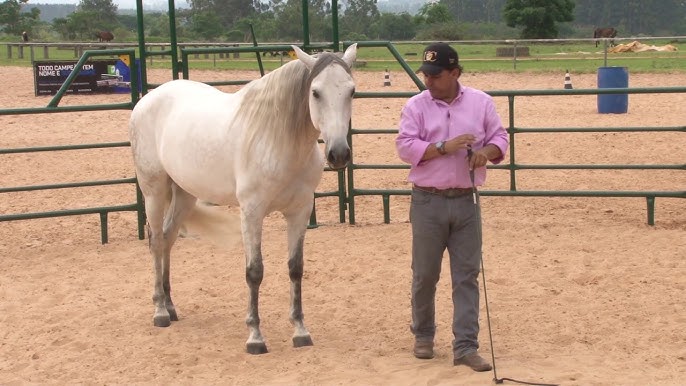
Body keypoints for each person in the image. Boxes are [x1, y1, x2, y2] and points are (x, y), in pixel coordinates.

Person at [395, 42, 509, 372]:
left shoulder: (481, 103)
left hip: (466, 199)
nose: (428, 80)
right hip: (427, 199)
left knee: (467, 276)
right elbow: (405, 147)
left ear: (455, 73)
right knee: (425, 274)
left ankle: (466, 346)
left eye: (435, 75)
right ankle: (424, 335)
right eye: (425, 74)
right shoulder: (415, 106)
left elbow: (500, 138)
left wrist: (484, 154)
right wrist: (444, 147)